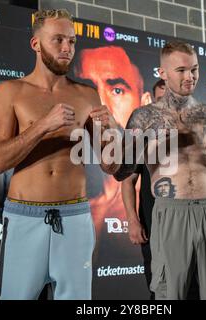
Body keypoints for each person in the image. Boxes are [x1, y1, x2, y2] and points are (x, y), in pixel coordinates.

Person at [111, 40, 206, 300]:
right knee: (170, 294)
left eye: (194, 69)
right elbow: (123, 172)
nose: (190, 77)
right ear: (163, 73)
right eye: (181, 70)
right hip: (170, 212)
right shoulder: (143, 117)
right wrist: (127, 144)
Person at [0, 9, 118, 300]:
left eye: (72, 41)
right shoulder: (12, 91)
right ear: (36, 44)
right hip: (24, 218)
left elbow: (111, 165)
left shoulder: (87, 95)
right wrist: (43, 126)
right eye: (58, 39)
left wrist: (112, 133)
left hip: (75, 218)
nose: (67, 48)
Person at [122, 79, 206, 300]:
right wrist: (132, 219)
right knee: (167, 291)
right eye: (164, 95)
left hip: (204, 218)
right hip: (160, 222)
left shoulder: (200, 128)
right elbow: (126, 179)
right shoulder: (144, 130)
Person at [74, 46, 152, 237]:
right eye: (88, 90)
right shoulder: (70, 201)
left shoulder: (164, 191)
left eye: (117, 90)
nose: (101, 104)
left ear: (144, 103)